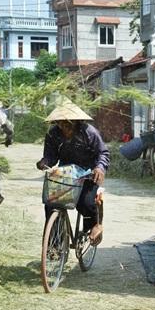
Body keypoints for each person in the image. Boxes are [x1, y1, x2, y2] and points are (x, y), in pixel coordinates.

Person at [36, 99, 109, 245]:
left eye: (68, 123)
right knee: (51, 204)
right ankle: (54, 246)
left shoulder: (89, 132)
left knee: (86, 204)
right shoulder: (53, 134)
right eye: (60, 123)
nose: (64, 126)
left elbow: (103, 153)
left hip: (88, 173)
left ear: (76, 121)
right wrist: (45, 162)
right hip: (65, 174)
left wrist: (100, 167)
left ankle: (93, 226)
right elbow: (51, 156)